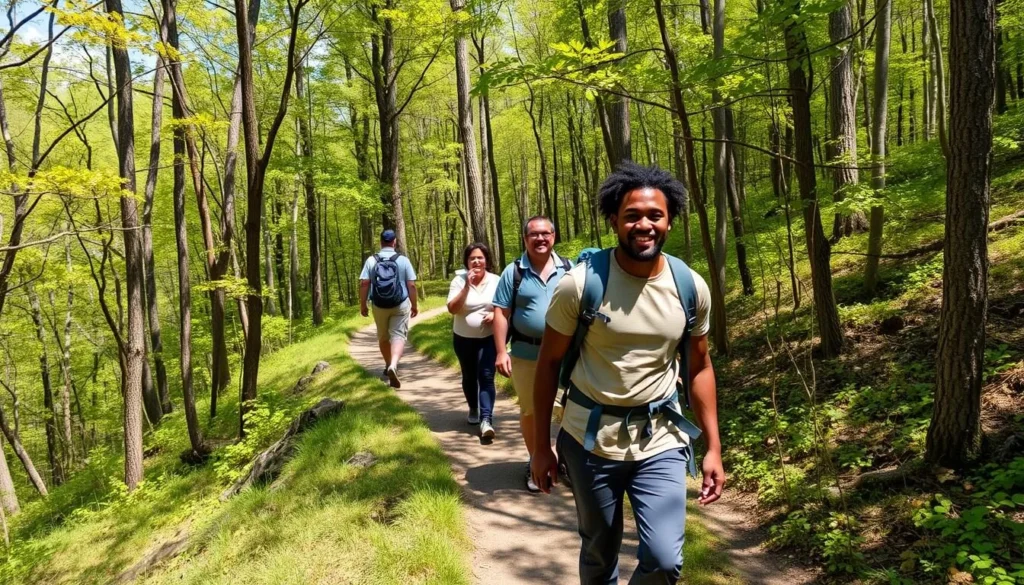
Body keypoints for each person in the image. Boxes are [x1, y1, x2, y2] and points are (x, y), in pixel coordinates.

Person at [531, 162, 726, 584]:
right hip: (588, 440)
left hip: (661, 439)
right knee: (599, 554)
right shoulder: (580, 285)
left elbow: (700, 367)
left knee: (663, 560)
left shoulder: (690, 287)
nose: (644, 224)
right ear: (614, 221)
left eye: (654, 215)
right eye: (632, 215)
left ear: (670, 220)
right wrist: (540, 447)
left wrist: (713, 447)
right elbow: (547, 365)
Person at [492, 216, 572, 492]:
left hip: (566, 355)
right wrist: (501, 351)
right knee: (531, 410)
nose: (541, 239)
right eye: (534, 235)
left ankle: (563, 462)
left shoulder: (571, 269)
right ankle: (535, 460)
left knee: (568, 410)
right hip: (527, 354)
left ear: (554, 236)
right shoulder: (513, 272)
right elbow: (500, 313)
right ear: (525, 239)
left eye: (546, 234)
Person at [447, 243, 500, 439]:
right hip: (463, 339)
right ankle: (473, 407)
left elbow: (505, 305)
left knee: (486, 375)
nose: (476, 261)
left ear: (486, 260)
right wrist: (467, 287)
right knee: (469, 376)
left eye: (480, 258)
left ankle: (487, 419)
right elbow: (452, 309)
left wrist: (495, 314)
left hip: (488, 338)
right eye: (472, 258)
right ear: (467, 262)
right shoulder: (458, 281)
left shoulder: (496, 280)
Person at [360, 229, 418, 388]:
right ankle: (393, 364)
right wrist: (415, 305)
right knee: (398, 335)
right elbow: (411, 285)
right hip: (400, 304)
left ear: (380, 242)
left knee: (383, 336)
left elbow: (364, 283)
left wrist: (363, 304)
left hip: (379, 304)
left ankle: (387, 365)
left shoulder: (372, 260)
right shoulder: (403, 260)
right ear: (394, 242)